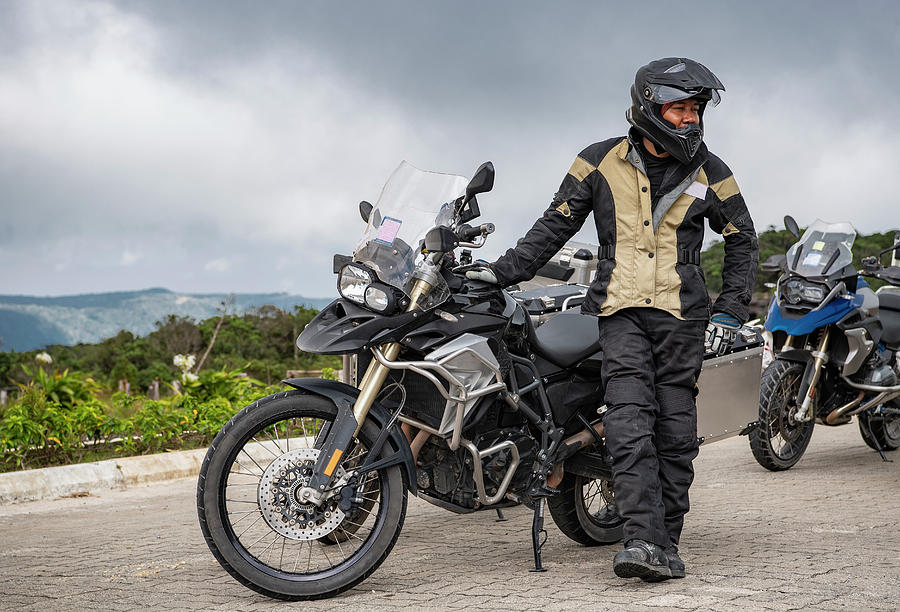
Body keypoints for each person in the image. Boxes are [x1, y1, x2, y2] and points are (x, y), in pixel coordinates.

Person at [467, 57, 758, 581]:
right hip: (619, 312)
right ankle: (642, 539)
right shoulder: (597, 162)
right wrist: (502, 273)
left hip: (682, 316)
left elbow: (742, 240)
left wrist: (732, 309)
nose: (690, 119)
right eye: (679, 108)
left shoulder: (712, 170)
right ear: (649, 107)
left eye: (696, 110)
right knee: (628, 423)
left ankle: (667, 541)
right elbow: (552, 226)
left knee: (675, 430)